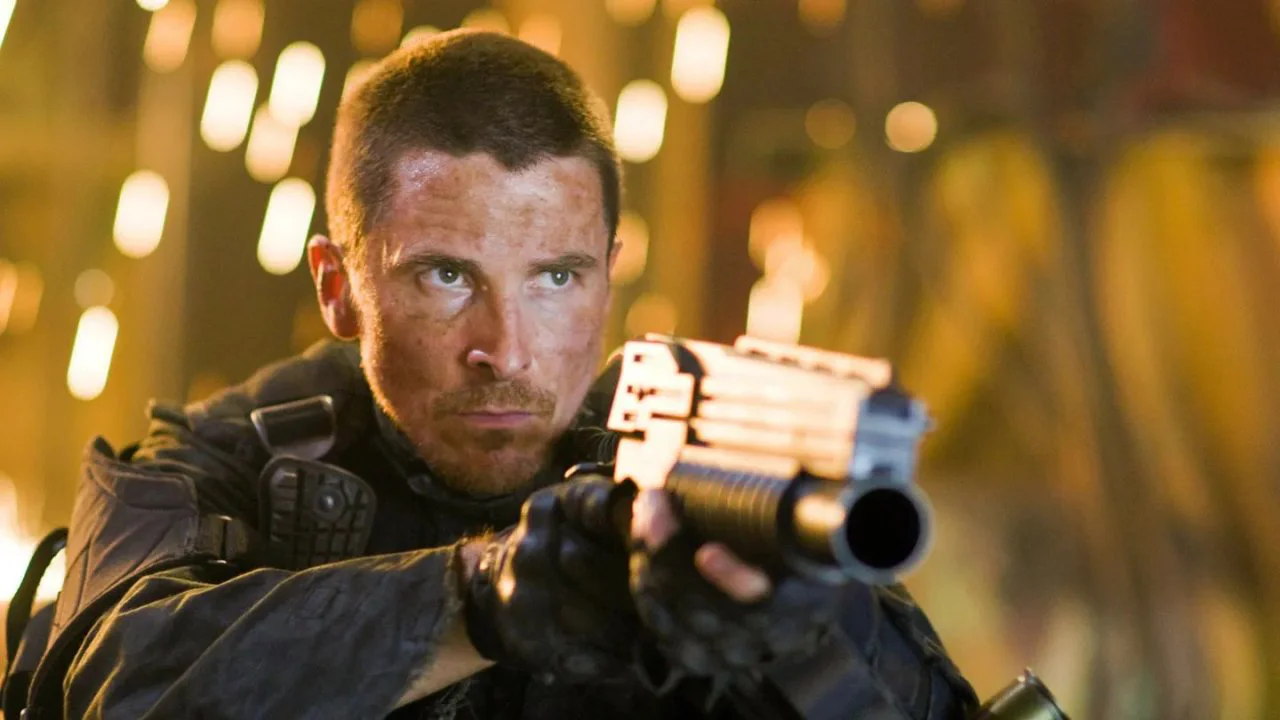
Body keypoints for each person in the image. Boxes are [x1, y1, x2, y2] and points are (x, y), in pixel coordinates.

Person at [35, 30, 978, 719]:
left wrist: (800, 633)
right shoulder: (218, 459)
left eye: (556, 278)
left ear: (608, 275)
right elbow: (114, 685)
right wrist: (485, 598)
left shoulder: (689, 471)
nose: (507, 349)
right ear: (338, 288)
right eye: (445, 277)